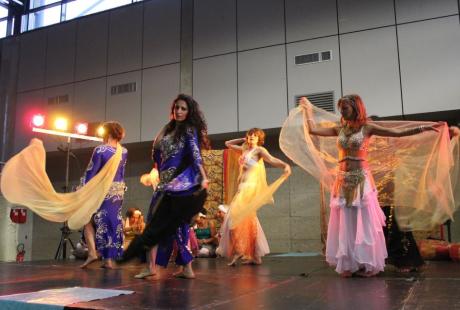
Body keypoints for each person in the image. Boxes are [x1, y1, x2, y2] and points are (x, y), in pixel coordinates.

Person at [287, 95, 443, 277]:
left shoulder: (367, 127)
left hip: (361, 179)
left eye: (345, 108)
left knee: (364, 223)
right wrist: (307, 110)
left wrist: (424, 128)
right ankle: (350, 264)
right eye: (341, 108)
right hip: (343, 179)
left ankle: (367, 264)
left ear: (355, 108)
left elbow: (398, 133)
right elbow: (312, 130)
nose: (342, 112)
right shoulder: (339, 128)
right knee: (347, 224)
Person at [121, 94, 210, 279]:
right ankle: (152, 266)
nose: (179, 111)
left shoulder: (189, 129)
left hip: (179, 184)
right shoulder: (167, 130)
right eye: (176, 107)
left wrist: (203, 176)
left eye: (183, 108)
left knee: (177, 226)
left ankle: (186, 267)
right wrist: (154, 172)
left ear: (189, 111)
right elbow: (157, 155)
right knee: (153, 222)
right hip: (164, 184)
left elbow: (195, 153)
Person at [218, 128, 291, 266]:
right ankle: (255, 256)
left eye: (255, 135)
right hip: (242, 188)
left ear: (259, 139)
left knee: (233, 218)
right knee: (250, 220)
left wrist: (285, 165)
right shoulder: (244, 150)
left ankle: (240, 250)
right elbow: (227, 143)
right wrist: (243, 139)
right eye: (250, 135)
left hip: (249, 188)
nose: (251, 137)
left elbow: (272, 159)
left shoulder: (259, 151)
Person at [80, 121, 128, 269]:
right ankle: (108, 260)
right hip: (118, 192)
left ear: (106, 134)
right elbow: (121, 172)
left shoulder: (100, 150)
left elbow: (91, 172)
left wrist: (82, 188)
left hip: (103, 191)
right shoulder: (124, 151)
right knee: (112, 222)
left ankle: (93, 253)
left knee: (86, 218)